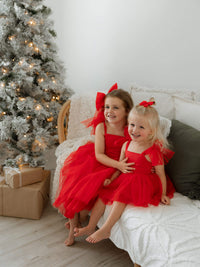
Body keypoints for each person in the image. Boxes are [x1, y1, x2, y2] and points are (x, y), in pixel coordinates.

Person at [74, 99, 175, 243]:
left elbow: (160, 174)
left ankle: (106, 229)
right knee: (103, 195)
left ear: (151, 131)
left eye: (141, 127)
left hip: (143, 182)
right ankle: (91, 226)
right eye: (132, 125)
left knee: (120, 195)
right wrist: (113, 178)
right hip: (125, 178)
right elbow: (121, 166)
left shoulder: (152, 151)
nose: (134, 130)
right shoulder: (126, 145)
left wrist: (163, 193)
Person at [53, 83, 134, 246]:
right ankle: (72, 231)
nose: (109, 111)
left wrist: (119, 168)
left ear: (127, 111)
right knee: (75, 181)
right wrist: (117, 165)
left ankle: (79, 221)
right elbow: (99, 154)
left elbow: (132, 152)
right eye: (107, 107)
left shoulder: (130, 128)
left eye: (115, 108)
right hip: (100, 160)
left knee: (91, 199)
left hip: (118, 164)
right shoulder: (101, 126)